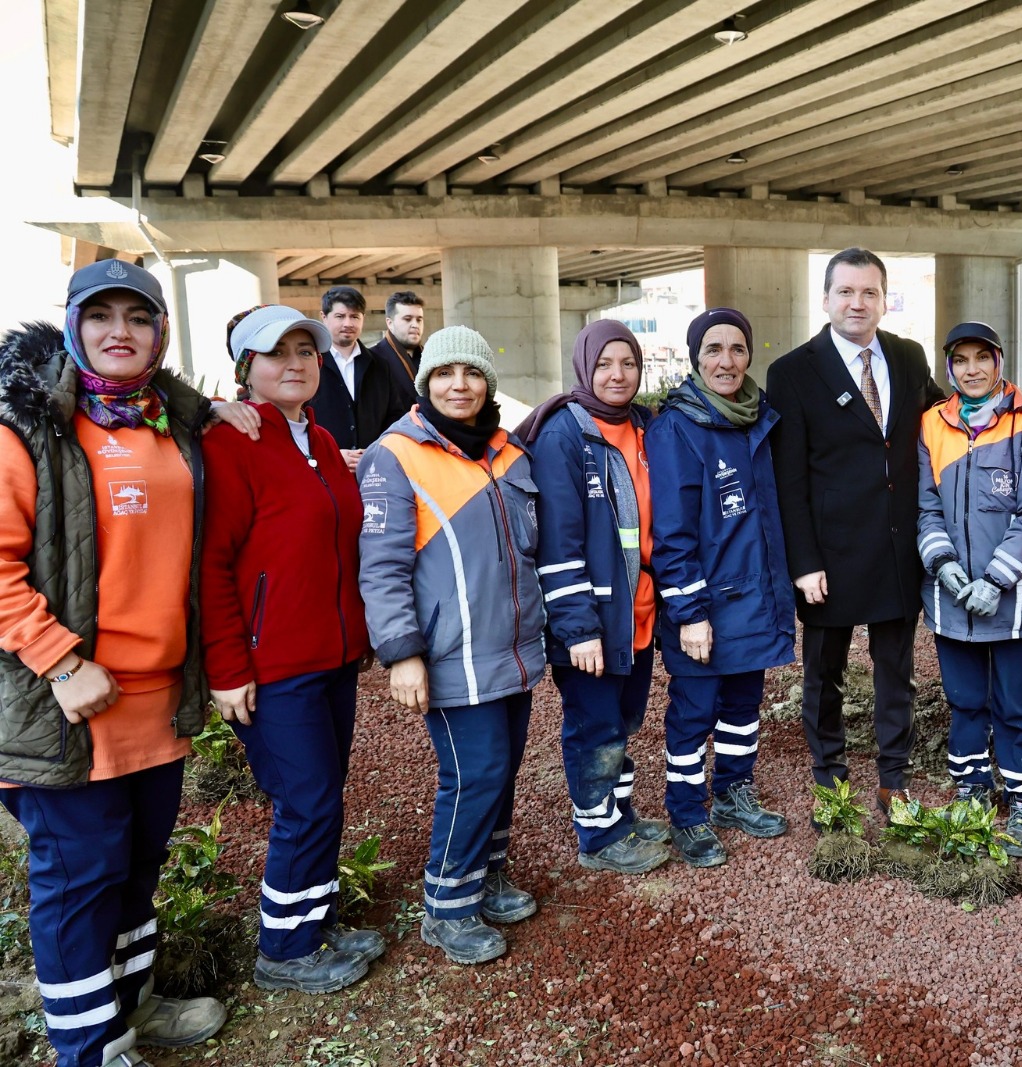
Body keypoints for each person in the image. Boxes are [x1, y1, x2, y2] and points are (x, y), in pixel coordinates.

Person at [0, 261, 227, 1066]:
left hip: (156, 702)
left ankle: (134, 1003)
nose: (120, 331)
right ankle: (88, 1045)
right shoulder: (29, 429)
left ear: (161, 332)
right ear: (72, 326)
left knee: (135, 865)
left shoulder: (172, 422)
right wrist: (61, 663)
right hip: (70, 705)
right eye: (102, 316)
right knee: (77, 880)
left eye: (139, 316)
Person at [201, 304, 382, 994]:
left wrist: (357, 634)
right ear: (247, 369)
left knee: (323, 795)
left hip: (330, 656)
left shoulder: (325, 441)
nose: (296, 362)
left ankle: (316, 920)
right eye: (277, 352)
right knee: (306, 799)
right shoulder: (231, 444)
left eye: (306, 350)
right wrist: (227, 668)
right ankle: (284, 948)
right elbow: (213, 566)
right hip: (273, 663)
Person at [358, 325, 547, 966]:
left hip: (512, 648)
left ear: (488, 383)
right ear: (425, 382)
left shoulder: (509, 452)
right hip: (449, 653)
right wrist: (401, 653)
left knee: (503, 771)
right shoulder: (397, 455)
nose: (458, 385)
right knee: (474, 774)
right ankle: (447, 908)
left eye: (470, 373)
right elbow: (380, 567)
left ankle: (485, 877)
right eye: (444, 374)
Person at [767, 247, 945, 820]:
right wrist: (803, 560)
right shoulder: (793, 371)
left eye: (869, 292)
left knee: (899, 674)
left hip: (897, 545)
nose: (857, 303)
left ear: (884, 300)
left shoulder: (910, 357)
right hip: (829, 556)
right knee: (824, 676)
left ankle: (894, 780)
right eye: (846, 292)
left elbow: (948, 424)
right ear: (825, 299)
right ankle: (831, 785)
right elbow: (788, 478)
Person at [520, 320, 672, 875]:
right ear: (585, 366)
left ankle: (620, 814)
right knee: (594, 724)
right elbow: (558, 542)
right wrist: (577, 627)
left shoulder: (644, 427)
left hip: (638, 614)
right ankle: (598, 833)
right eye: (605, 363)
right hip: (592, 620)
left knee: (624, 720)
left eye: (628, 363)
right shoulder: (565, 434)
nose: (617, 374)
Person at [646, 308, 794, 867]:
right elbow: (673, 532)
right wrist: (689, 612)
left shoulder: (757, 418)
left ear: (749, 355)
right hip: (706, 605)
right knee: (693, 712)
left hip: (752, 598)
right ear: (695, 358)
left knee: (743, 705)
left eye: (737, 348)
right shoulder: (676, 429)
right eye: (713, 349)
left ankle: (734, 792)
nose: (726, 361)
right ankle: (687, 813)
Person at [915, 321, 1022, 856]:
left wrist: (996, 579)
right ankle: (972, 790)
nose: (972, 370)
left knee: (1016, 704)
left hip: (1011, 602)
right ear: (949, 368)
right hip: (951, 602)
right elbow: (926, 507)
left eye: (982, 359)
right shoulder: (931, 424)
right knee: (965, 701)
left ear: (999, 363)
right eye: (961, 360)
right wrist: (944, 565)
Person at [309, 286, 411, 473]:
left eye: (355, 316)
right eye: (340, 316)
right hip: (322, 471)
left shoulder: (380, 365)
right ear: (324, 317)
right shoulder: (309, 364)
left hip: (374, 472)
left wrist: (378, 451)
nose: (348, 323)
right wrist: (330, 453)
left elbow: (395, 417)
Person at [371, 290, 426, 399]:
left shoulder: (431, 356)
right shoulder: (373, 359)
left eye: (419, 320)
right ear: (390, 323)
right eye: (407, 319)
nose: (415, 325)